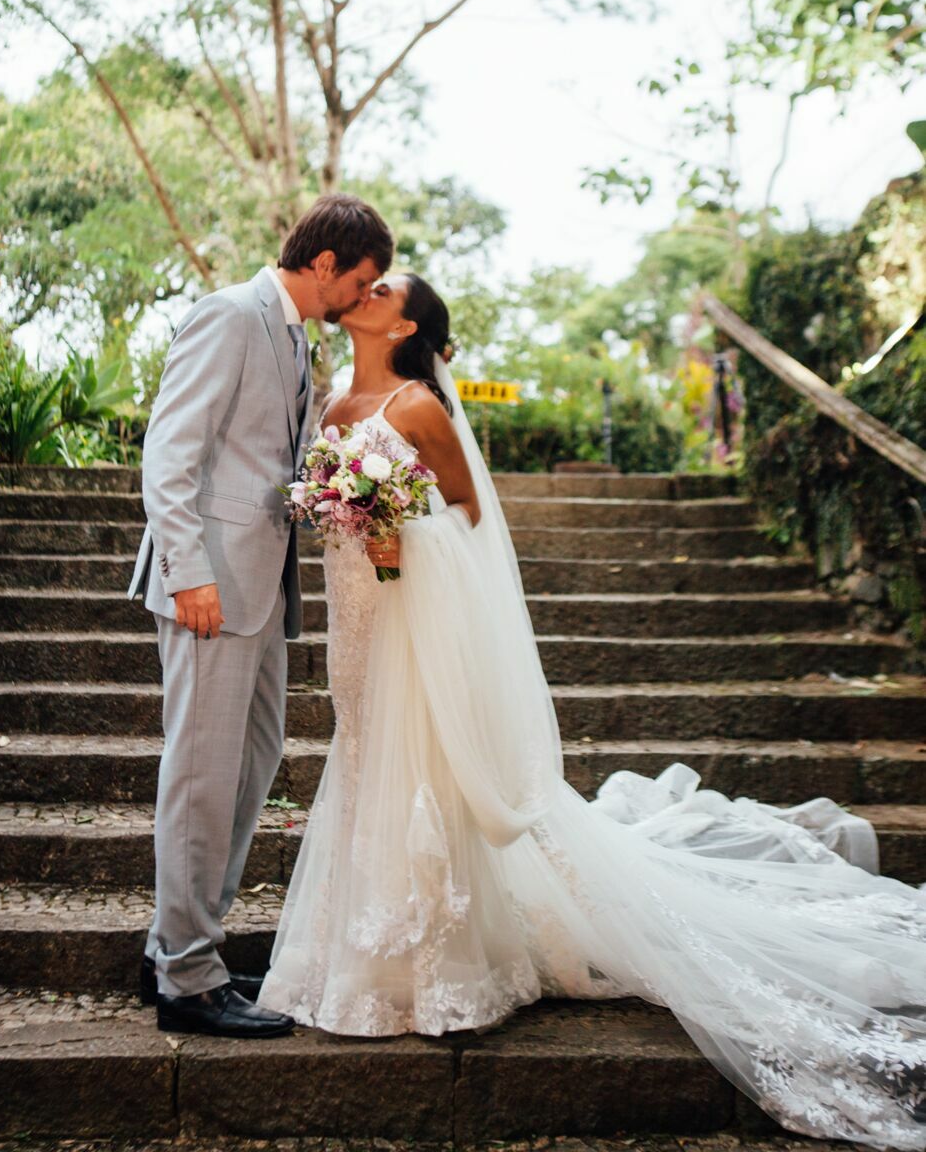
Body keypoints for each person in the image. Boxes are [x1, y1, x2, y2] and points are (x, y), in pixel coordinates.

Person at [260, 272, 926, 1149]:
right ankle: (362, 943)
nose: (367, 288)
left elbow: (466, 516)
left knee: (418, 761)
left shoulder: (420, 407)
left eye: (383, 285)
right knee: (362, 754)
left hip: (412, 610)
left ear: (405, 319)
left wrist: (398, 529)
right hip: (355, 618)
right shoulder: (334, 397)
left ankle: (437, 961)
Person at [127, 194, 394, 1038]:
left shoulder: (293, 335)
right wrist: (187, 573)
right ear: (324, 265)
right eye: (362, 280)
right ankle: (188, 982)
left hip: (263, 588)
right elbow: (171, 453)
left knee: (253, 758)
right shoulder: (231, 314)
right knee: (204, 774)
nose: (362, 295)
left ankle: (176, 942)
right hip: (211, 587)